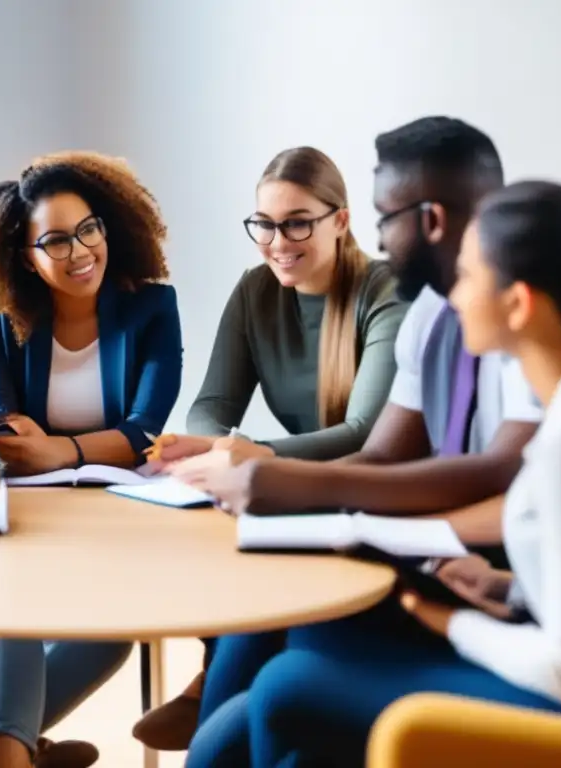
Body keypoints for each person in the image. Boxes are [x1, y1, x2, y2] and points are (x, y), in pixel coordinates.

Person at [187, 178, 561, 766]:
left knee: (290, 688)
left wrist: (448, 621)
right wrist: (506, 589)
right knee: (295, 665)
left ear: (519, 302)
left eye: (469, 275)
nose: (454, 295)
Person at [170, 116, 544, 754]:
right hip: (466, 563)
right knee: (245, 699)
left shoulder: (524, 320)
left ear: (428, 221)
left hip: (505, 580)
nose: (378, 239)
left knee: (286, 682)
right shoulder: (434, 311)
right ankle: (210, 708)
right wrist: (287, 488)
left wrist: (279, 475)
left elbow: (506, 476)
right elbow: (380, 455)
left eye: (382, 217)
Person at [132, 146, 408, 750]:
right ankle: (215, 688)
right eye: (264, 223)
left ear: (340, 220)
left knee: (255, 578)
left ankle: (214, 694)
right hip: (296, 497)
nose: (278, 240)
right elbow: (211, 403)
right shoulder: (257, 291)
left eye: (297, 222)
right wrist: (210, 444)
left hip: (365, 492)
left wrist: (258, 456)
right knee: (211, 534)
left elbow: (365, 431)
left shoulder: (384, 290)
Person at [0, 150, 183, 768]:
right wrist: (37, 445)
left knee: (110, 639)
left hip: (123, 506)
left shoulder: (152, 307)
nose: (80, 251)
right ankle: (12, 751)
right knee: (23, 601)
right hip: (31, 508)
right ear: (24, 256)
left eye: (89, 230)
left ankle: (3, 744)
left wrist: (59, 449)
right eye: (55, 240)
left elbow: (144, 429)